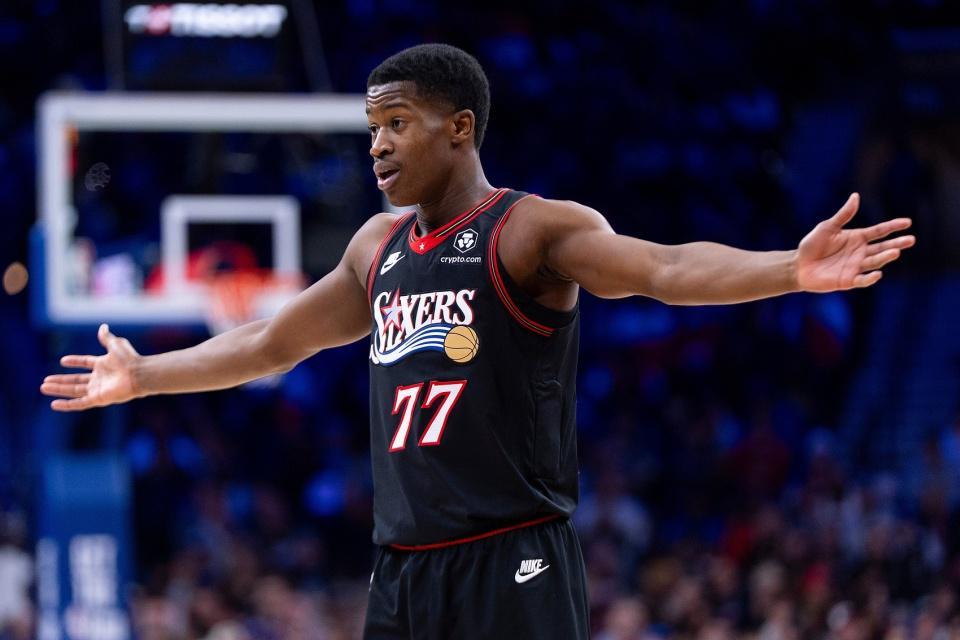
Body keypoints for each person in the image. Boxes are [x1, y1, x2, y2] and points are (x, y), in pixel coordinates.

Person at [41, 44, 915, 639]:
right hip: (403, 567)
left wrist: (788, 269)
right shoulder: (376, 247)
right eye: (372, 129)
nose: (378, 145)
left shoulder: (530, 230)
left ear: (459, 126)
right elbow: (273, 342)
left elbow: (663, 265)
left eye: (397, 123)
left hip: (514, 553)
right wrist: (145, 375)